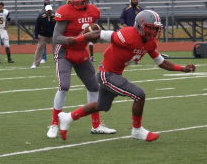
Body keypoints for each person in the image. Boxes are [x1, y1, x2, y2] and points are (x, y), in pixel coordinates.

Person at [58, 10, 195, 141]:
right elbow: (99, 33)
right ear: (140, 26)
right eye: (151, 28)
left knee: (102, 105)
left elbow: (162, 62)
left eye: (156, 28)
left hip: (114, 74)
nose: (154, 31)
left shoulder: (150, 42)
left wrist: (182, 69)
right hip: (107, 74)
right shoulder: (127, 35)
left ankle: (68, 117)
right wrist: (77, 40)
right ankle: (137, 130)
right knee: (139, 95)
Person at [47, 0, 116, 138]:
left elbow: (93, 33)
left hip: (81, 51)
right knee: (64, 86)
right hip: (65, 51)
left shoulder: (94, 11)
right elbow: (56, 37)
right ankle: (54, 123)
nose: (76, 0)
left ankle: (96, 125)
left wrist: (93, 36)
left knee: (94, 87)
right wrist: (70, 40)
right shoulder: (65, 11)